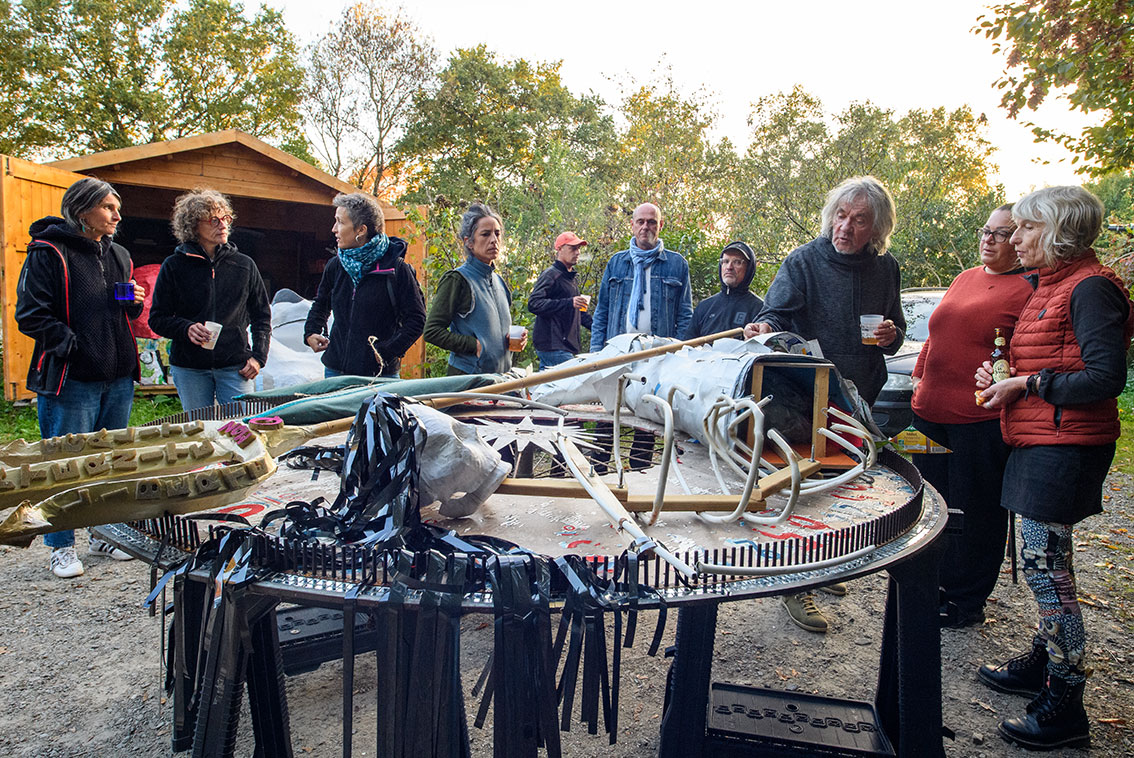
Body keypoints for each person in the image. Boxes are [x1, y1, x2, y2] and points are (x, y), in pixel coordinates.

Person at [975, 186, 1131, 751]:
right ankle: (1044, 661)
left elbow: (1105, 378)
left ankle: (1065, 702)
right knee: (1045, 563)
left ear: (1059, 229)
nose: (1014, 239)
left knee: (1047, 570)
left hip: (1066, 447)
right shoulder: (1051, 286)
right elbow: (1045, 361)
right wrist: (1003, 378)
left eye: (1025, 228)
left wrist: (1027, 383)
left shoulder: (1091, 288)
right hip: (1040, 439)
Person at [744, 175, 906, 634]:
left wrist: (891, 335)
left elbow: (895, 330)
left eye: (859, 220)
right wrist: (763, 327)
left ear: (877, 229)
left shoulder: (886, 268)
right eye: (840, 215)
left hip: (859, 393)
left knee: (841, 482)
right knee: (802, 483)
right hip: (805, 395)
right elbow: (773, 315)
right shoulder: (803, 261)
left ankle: (822, 564)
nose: (845, 227)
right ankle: (796, 583)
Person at [910, 204, 1034, 629]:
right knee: (929, 501)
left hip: (978, 421)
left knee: (975, 510)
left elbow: (1029, 351)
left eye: (1001, 234)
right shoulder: (964, 277)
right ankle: (931, 585)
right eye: (986, 231)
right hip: (927, 414)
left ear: (1018, 241)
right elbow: (936, 334)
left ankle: (966, 599)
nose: (988, 239)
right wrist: (919, 373)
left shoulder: (1028, 288)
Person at [15, 177, 142, 577]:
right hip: (72, 380)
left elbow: (119, 310)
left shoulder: (119, 253)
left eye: (117, 208)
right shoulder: (48, 251)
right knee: (66, 465)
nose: (117, 216)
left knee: (110, 463)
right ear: (82, 211)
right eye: (108, 208)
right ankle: (61, 545)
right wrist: (73, 344)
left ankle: (103, 534)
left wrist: (133, 302)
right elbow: (30, 314)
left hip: (117, 376)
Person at [149, 189, 271, 411]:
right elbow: (157, 319)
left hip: (235, 366)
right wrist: (186, 328)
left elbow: (262, 316)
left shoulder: (244, 265)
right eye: (214, 220)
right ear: (193, 226)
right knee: (200, 427)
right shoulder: (174, 265)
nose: (223, 225)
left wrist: (258, 358)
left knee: (240, 427)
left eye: (226, 218)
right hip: (189, 368)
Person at [303, 193, 425, 378]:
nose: (334, 229)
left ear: (361, 230)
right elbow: (321, 304)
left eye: (340, 222)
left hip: (379, 376)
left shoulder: (396, 269)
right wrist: (311, 331)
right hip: (335, 372)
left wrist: (387, 351)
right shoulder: (335, 266)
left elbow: (417, 319)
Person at [424, 203, 525, 375]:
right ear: (469, 242)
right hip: (469, 379)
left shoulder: (499, 282)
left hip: (500, 380)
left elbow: (492, 329)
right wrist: (474, 346)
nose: (493, 240)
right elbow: (432, 331)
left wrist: (515, 339)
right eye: (485, 234)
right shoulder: (457, 280)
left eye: (497, 233)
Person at [590, 203, 693, 348]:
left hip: (660, 352)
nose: (645, 227)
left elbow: (685, 316)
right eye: (640, 222)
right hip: (619, 350)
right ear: (632, 225)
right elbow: (602, 312)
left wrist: (678, 350)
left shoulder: (677, 264)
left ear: (660, 225)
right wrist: (596, 351)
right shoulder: (616, 262)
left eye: (651, 222)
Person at [528, 231, 593, 369]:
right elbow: (534, 303)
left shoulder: (570, 278)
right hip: (553, 346)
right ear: (559, 249)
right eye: (573, 248)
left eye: (578, 248)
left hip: (565, 347)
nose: (577, 252)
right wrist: (569, 303)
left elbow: (580, 313)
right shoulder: (551, 274)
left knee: (548, 383)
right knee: (575, 379)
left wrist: (599, 328)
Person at [683, 241, 764, 339]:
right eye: (725, 261)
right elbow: (687, 345)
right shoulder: (704, 307)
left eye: (737, 262)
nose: (729, 267)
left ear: (749, 268)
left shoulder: (760, 309)